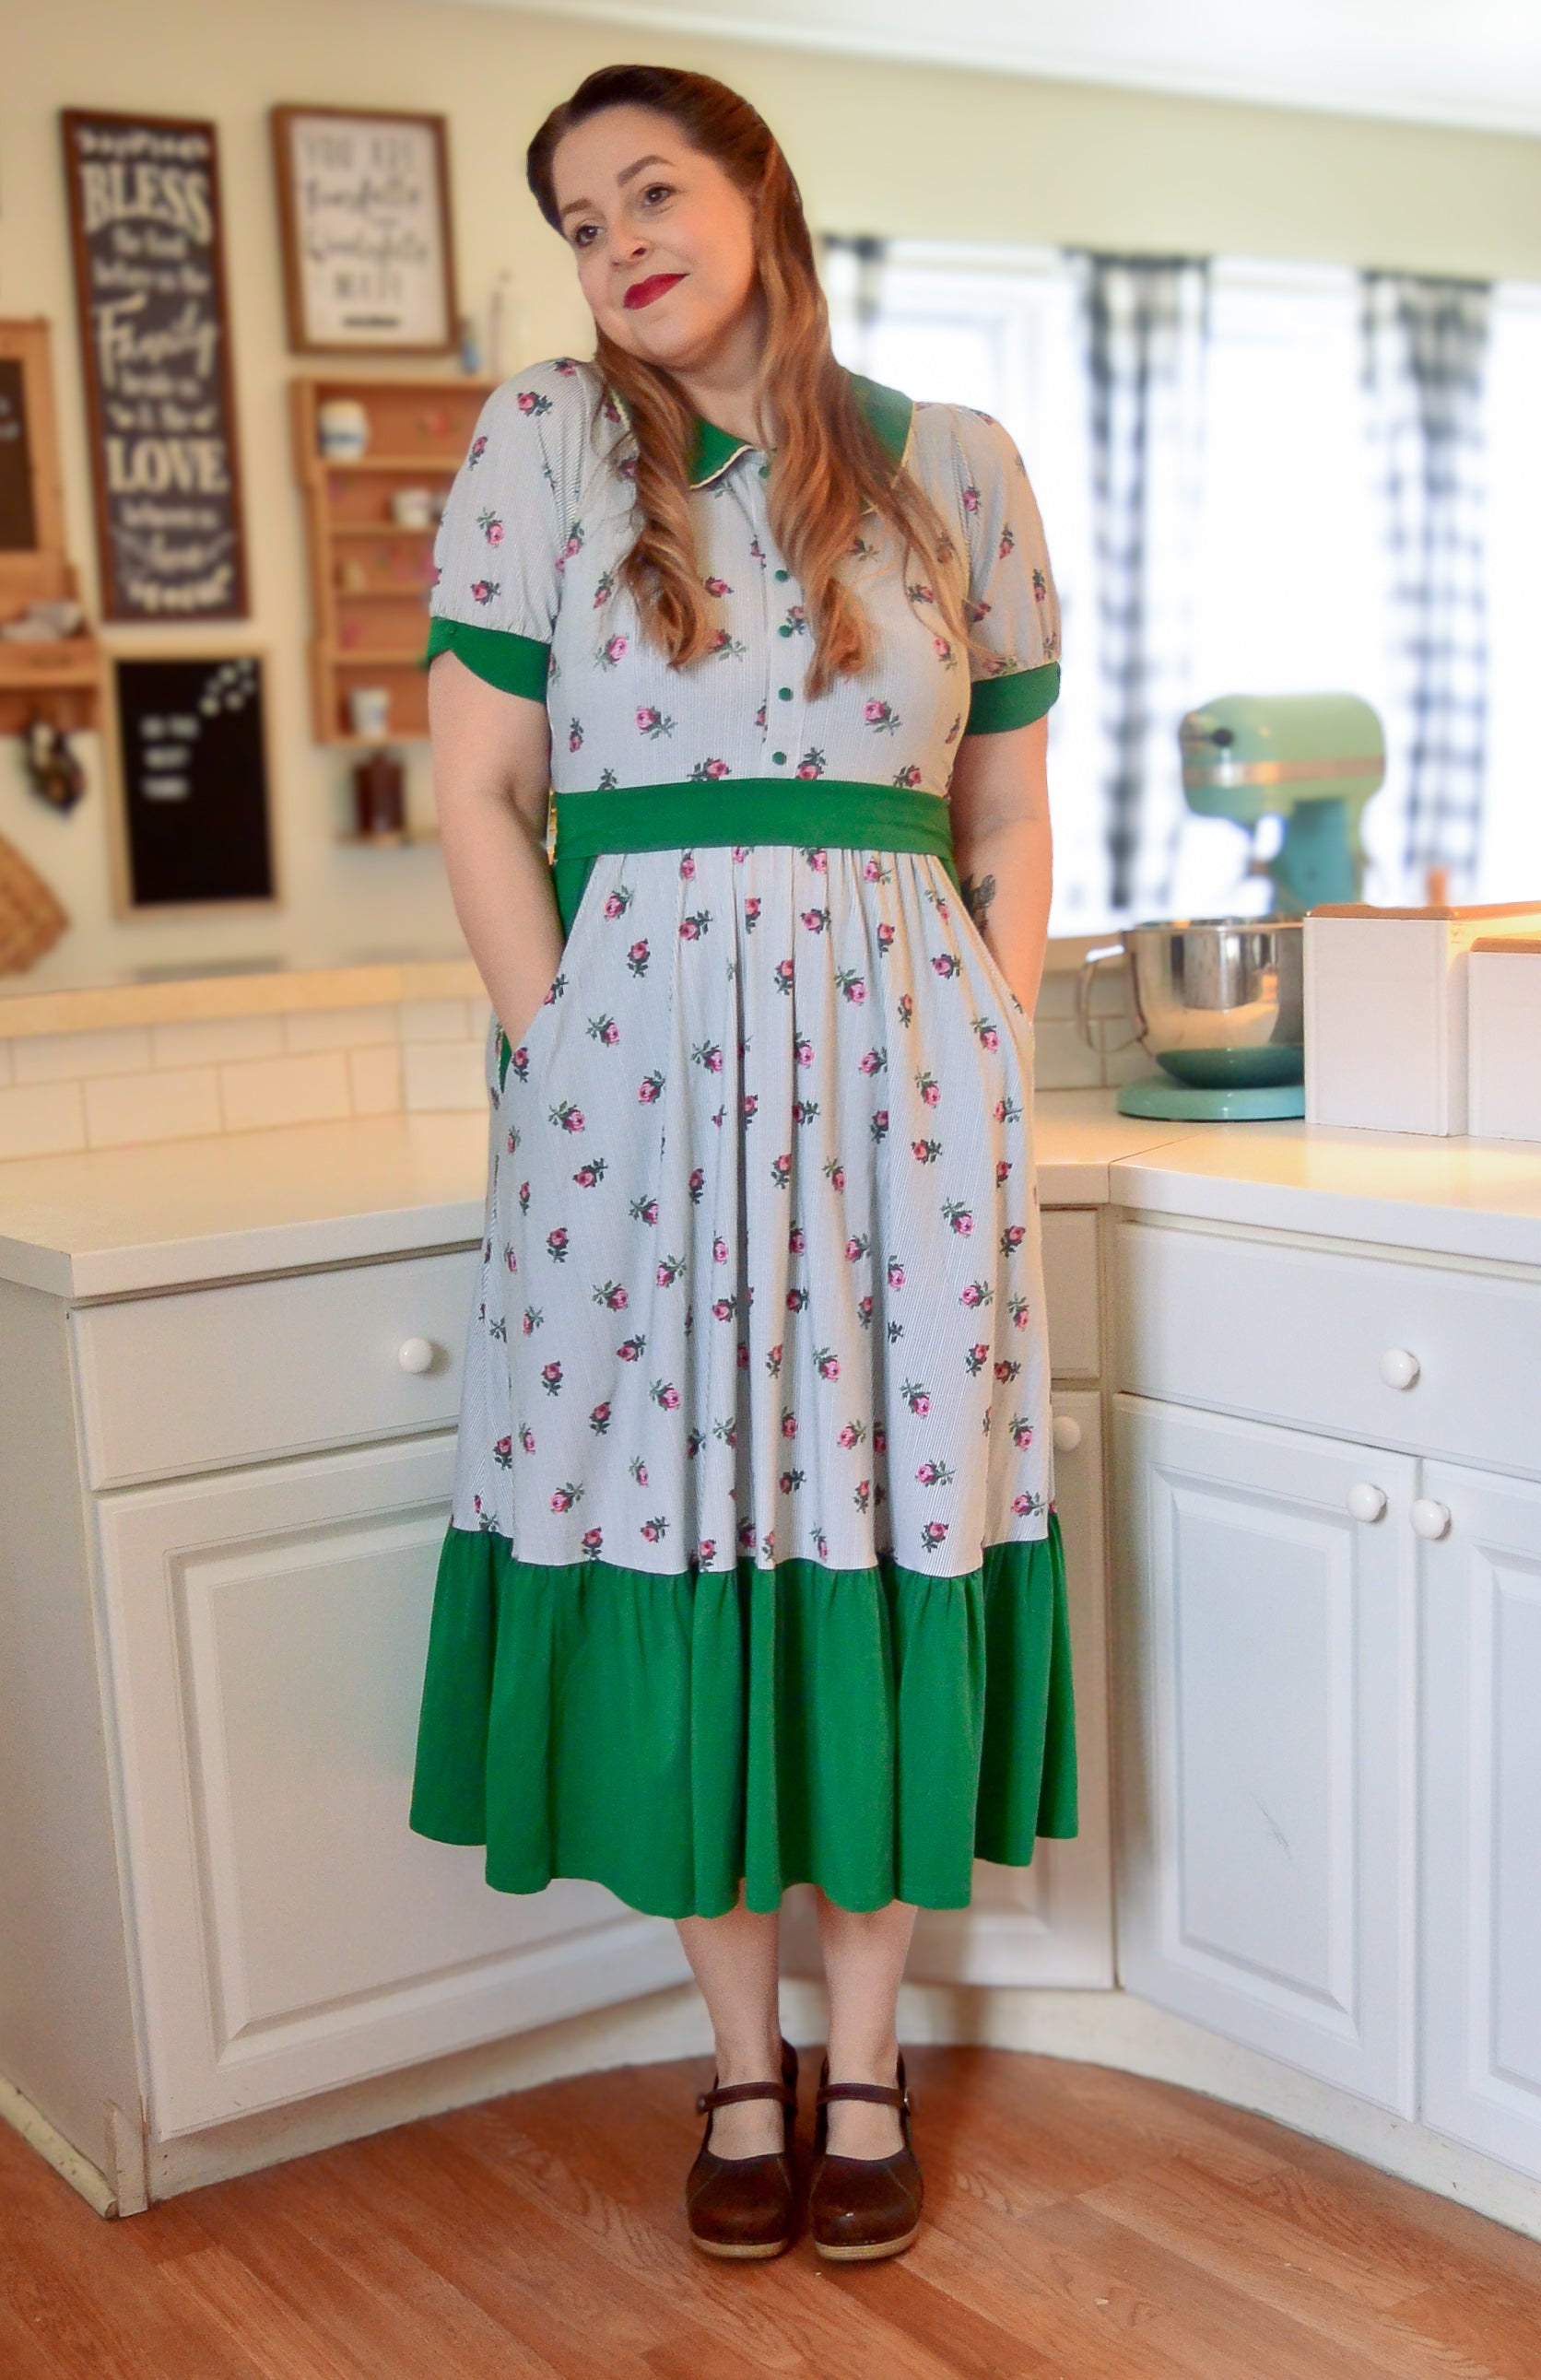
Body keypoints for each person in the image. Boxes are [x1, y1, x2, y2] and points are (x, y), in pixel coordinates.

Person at [409, 61, 1076, 2265]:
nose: (615, 243)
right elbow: (475, 793)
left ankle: (862, 2061)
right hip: (629, 1090)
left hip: (911, 1099)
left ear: (755, 192)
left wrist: (986, 1036)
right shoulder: (544, 443)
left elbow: (1004, 809)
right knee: (673, 1513)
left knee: (887, 1514)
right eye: (577, 220)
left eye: (648, 190)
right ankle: (735, 2056)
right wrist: (559, 1051)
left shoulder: (954, 464)